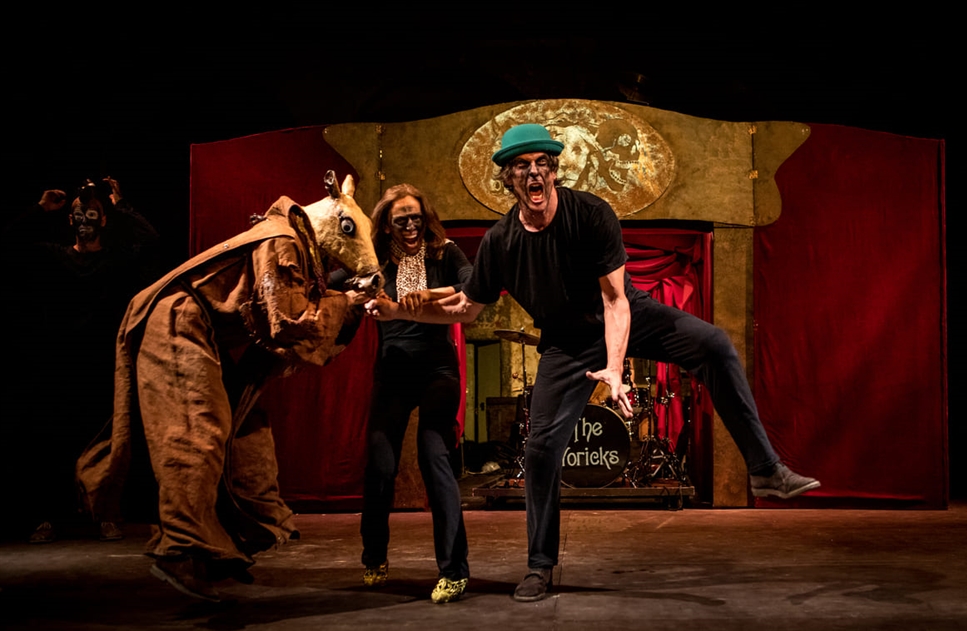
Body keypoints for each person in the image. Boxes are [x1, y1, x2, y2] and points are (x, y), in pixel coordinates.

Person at [366, 124, 821, 602]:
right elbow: (465, 307)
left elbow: (615, 301)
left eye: (542, 163)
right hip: (565, 343)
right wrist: (398, 311)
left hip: (626, 314)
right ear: (509, 178)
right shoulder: (501, 242)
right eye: (522, 166)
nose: (533, 173)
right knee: (540, 449)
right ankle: (540, 565)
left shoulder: (590, 213)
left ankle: (764, 468)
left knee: (714, 344)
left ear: (554, 171)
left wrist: (615, 368)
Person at [76, 174, 383, 602]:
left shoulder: (300, 248)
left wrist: (345, 295)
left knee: (247, 438)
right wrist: (346, 302)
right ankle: (181, 551)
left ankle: (225, 545)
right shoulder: (282, 241)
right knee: (196, 432)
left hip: (210, 333)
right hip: (178, 320)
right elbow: (288, 321)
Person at [3, 178, 158, 544]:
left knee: (105, 444)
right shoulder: (55, 256)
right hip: (56, 365)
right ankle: (47, 517)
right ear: (69, 220)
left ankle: (105, 514)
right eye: (77, 213)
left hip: (102, 366)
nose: (83, 219)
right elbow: (8, 242)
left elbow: (151, 241)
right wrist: (40, 208)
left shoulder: (114, 259)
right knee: (52, 442)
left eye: (91, 213)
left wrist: (119, 202)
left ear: (102, 220)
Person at [344, 184, 472, 604]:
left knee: (434, 459)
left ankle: (454, 571)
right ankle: (374, 556)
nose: (412, 226)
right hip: (394, 372)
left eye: (417, 217)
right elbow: (334, 282)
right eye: (402, 220)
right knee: (381, 466)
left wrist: (429, 294)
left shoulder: (444, 253)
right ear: (387, 225)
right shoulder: (375, 263)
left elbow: (472, 287)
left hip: (438, 370)